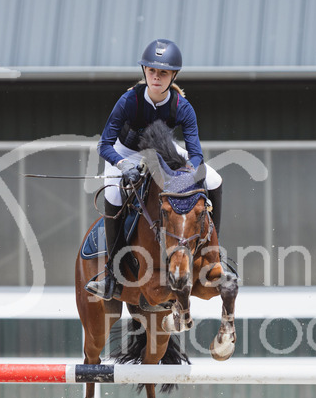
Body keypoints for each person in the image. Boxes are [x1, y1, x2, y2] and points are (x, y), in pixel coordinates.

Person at [86, 38, 224, 300]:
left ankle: (210, 254)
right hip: (124, 152)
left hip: (163, 150)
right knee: (115, 195)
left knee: (214, 179)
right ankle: (112, 276)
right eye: (151, 71)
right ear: (144, 72)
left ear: (173, 76)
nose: (156, 77)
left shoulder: (182, 107)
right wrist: (123, 164)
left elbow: (196, 154)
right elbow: (104, 144)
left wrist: (188, 175)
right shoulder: (129, 101)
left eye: (163, 72)